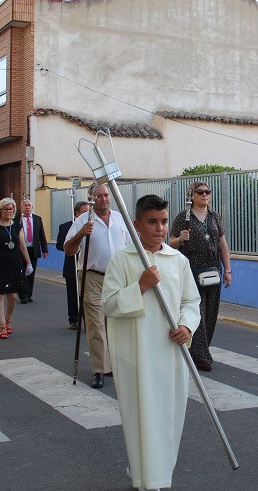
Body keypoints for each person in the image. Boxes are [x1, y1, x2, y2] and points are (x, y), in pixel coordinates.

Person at [103, 194, 200, 491]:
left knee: (168, 415)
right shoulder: (122, 260)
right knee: (142, 413)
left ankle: (156, 470)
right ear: (136, 225)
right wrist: (141, 286)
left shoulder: (178, 260)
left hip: (170, 353)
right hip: (138, 355)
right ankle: (148, 478)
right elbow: (108, 304)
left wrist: (186, 325)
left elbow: (191, 301)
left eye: (163, 221)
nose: (159, 228)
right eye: (152, 222)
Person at [64, 183, 133, 388]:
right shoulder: (83, 220)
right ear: (91, 199)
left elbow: (131, 247)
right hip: (92, 277)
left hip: (117, 278)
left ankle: (113, 364)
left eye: (106, 195)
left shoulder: (120, 218)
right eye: (99, 196)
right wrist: (80, 234)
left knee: (115, 322)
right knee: (96, 324)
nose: (103, 199)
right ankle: (99, 369)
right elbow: (69, 250)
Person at [168, 181, 232, 371]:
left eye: (208, 191)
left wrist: (227, 270)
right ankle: (201, 357)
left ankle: (201, 350)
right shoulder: (183, 217)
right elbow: (170, 242)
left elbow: (223, 244)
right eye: (200, 192)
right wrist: (180, 239)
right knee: (197, 313)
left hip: (213, 271)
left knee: (211, 314)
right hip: (192, 270)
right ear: (192, 196)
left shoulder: (215, 217)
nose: (205, 195)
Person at [0, 198, 33, 339]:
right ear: (0, 210)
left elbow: (22, 247)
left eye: (11, 209)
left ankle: (7, 319)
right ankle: (1, 326)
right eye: (5, 209)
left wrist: (29, 264)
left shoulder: (17, 227)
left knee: (12, 296)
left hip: (14, 264)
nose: (8, 211)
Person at [57, 200, 89, 330]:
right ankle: (74, 319)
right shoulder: (66, 226)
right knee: (73, 294)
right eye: (85, 212)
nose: (88, 214)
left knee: (87, 295)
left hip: (87, 265)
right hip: (72, 265)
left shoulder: (93, 225)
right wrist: (73, 244)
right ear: (77, 213)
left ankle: (87, 321)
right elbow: (60, 244)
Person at [17, 199, 48, 304]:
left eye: (29, 205)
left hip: (33, 250)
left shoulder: (37, 219)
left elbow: (42, 235)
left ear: (32, 207)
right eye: (25, 205)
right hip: (20, 250)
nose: (27, 207)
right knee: (22, 273)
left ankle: (29, 294)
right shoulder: (17, 219)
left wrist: (45, 249)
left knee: (31, 273)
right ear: (21, 207)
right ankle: (23, 295)